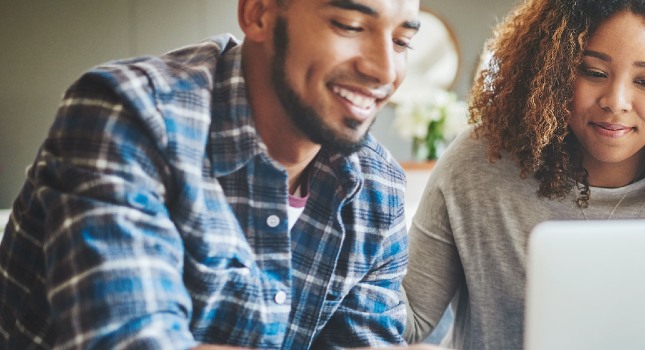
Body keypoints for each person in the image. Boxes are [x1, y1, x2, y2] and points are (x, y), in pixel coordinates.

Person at [0, 0, 441, 348]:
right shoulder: (130, 115)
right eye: (349, 25)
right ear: (259, 13)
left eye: (402, 42)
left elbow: (358, 342)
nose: (384, 70)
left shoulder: (378, 187)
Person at [401, 0, 645, 348]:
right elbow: (409, 320)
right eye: (593, 72)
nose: (615, 102)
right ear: (553, 69)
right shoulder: (480, 161)